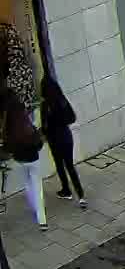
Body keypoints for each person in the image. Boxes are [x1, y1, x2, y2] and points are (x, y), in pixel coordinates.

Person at [2, 89, 45, 230]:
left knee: (27, 183)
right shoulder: (26, 121)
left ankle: (34, 207)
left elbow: (8, 146)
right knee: (37, 185)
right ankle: (42, 219)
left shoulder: (9, 125)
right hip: (33, 157)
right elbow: (38, 142)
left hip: (20, 159)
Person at [40, 75, 82, 207]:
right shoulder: (62, 100)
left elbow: (45, 127)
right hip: (66, 137)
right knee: (70, 166)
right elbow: (72, 118)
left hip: (55, 140)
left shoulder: (45, 105)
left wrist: (45, 130)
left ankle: (66, 190)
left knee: (60, 165)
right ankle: (80, 194)